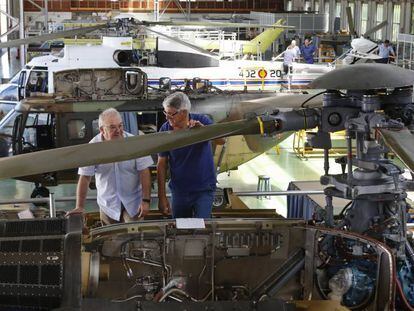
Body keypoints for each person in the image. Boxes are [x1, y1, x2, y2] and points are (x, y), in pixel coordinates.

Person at [67, 108, 153, 225]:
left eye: (120, 126)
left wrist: (146, 200)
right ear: (102, 129)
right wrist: (79, 206)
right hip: (108, 205)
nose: (118, 130)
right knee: (109, 240)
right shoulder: (93, 147)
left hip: (133, 203)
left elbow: (144, 172)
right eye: (113, 127)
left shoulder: (135, 143)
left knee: (134, 239)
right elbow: (85, 177)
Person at [157, 92, 224, 219]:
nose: (167, 118)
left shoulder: (202, 121)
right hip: (180, 191)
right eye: (165, 113)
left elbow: (222, 141)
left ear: (183, 112)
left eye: (170, 114)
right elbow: (161, 164)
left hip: (204, 189)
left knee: (202, 229)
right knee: (180, 230)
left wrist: (203, 131)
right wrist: (162, 197)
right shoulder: (165, 129)